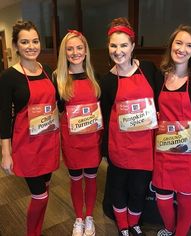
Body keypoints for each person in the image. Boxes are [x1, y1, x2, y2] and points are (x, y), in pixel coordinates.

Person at [101, 17, 162, 236]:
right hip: (119, 145)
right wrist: (105, 150)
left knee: (138, 190)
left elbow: (161, 99)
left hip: (145, 145)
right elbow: (106, 118)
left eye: (123, 45)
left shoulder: (148, 68)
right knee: (118, 189)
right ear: (108, 47)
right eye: (113, 45)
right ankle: (123, 226)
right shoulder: (107, 81)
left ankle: (134, 223)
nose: (118, 51)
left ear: (133, 46)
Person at [152, 25, 191, 236]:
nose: (182, 49)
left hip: (189, 152)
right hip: (164, 148)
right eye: (179, 43)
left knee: (186, 198)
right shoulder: (161, 76)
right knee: (162, 197)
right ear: (171, 45)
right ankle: (169, 229)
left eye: (189, 45)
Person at [0, 20, 60, 236]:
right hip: (26, 145)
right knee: (40, 196)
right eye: (24, 42)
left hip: (48, 141)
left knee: (45, 189)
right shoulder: (8, 77)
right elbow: (4, 118)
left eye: (35, 41)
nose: (31, 46)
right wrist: (6, 154)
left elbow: (57, 104)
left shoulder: (48, 70)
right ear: (15, 46)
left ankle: (38, 229)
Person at [53, 29, 102, 236]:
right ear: (64, 52)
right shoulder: (58, 78)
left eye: (79, 48)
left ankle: (89, 216)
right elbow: (55, 111)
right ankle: (78, 219)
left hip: (92, 138)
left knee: (91, 178)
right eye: (70, 49)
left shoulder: (95, 75)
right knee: (75, 179)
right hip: (71, 140)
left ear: (86, 50)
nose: (75, 52)